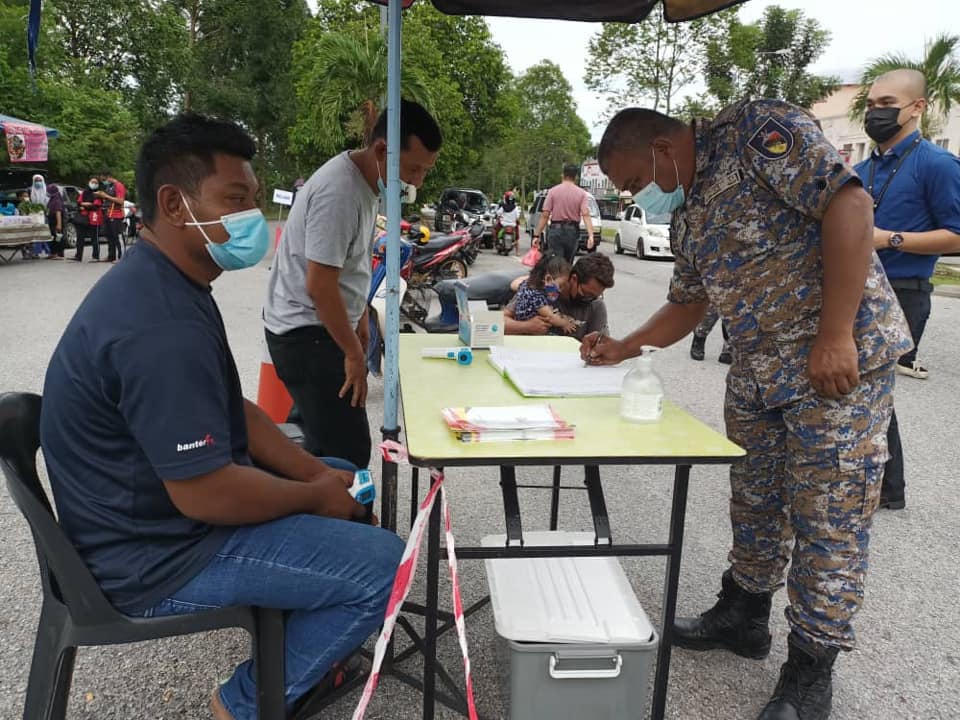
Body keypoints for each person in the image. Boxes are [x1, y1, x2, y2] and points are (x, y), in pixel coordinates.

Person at [40, 112, 404, 720]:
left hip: (154, 521)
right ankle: (241, 703)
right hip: (154, 558)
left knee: (337, 465)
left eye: (253, 201)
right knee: (385, 566)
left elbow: (234, 411)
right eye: (234, 200)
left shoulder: (170, 283)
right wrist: (316, 497)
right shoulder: (159, 325)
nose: (249, 218)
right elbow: (206, 494)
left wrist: (315, 473)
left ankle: (297, 631)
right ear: (174, 204)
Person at [586, 102, 911, 720]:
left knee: (828, 519)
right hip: (759, 372)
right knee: (754, 499)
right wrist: (623, 348)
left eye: (635, 180)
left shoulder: (757, 134)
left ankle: (811, 670)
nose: (641, 194)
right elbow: (687, 303)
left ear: (660, 146)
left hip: (834, 366)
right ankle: (744, 614)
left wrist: (836, 333)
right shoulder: (690, 208)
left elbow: (849, 204)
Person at [264, 99, 441, 468]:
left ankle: (303, 512)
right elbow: (320, 285)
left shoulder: (365, 185)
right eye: (413, 169)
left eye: (425, 171)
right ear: (382, 150)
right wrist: (353, 354)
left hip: (323, 327)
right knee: (346, 454)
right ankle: (338, 520)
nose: (417, 181)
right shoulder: (340, 192)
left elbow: (351, 264)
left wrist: (359, 315)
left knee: (314, 440)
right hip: (307, 334)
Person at [853, 69, 960, 511]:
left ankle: (885, 488)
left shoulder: (937, 165)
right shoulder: (859, 169)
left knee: (870, 387)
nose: (876, 112)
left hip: (904, 288)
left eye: (887, 103)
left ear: (917, 107)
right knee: (858, 389)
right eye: (872, 104)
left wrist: (889, 237)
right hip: (856, 288)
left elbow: (957, 235)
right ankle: (878, 483)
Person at [505, 252, 615, 341]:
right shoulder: (541, 290)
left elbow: (600, 346)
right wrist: (527, 327)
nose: (590, 299)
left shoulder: (596, 306)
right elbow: (494, 325)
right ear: (574, 279)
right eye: (587, 294)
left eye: (595, 296)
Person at [532, 164, 595, 262]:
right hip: (572, 232)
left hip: (555, 231)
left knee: (556, 263)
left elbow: (545, 215)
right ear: (576, 177)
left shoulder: (553, 191)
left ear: (563, 175)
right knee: (568, 264)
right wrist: (591, 235)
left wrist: (537, 235)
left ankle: (557, 275)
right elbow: (585, 214)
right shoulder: (582, 194)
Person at [510, 253, 580, 334]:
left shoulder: (527, 285)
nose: (560, 291)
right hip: (529, 333)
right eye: (560, 286)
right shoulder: (537, 297)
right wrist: (565, 323)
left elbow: (515, 285)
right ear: (548, 279)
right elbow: (551, 317)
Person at [97, 169, 128, 263]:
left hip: (116, 214)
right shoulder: (109, 186)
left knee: (116, 236)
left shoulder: (118, 185)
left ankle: (121, 256)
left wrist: (106, 196)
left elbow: (120, 201)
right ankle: (111, 255)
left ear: (109, 177)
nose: (103, 181)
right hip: (108, 213)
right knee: (109, 235)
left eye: (104, 179)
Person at [74, 176, 104, 262]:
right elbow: (78, 203)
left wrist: (85, 205)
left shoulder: (99, 194)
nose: (93, 184)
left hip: (94, 218)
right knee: (80, 237)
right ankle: (78, 256)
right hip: (83, 218)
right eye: (92, 182)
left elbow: (96, 206)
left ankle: (95, 256)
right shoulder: (84, 193)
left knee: (94, 237)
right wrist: (87, 204)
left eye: (96, 183)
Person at [28, 174, 51, 257]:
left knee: (45, 233)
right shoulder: (31, 191)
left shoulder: (47, 191)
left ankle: (48, 252)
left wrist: (46, 210)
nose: (38, 182)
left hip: (45, 214)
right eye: (36, 181)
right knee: (36, 233)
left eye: (40, 180)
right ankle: (36, 252)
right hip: (35, 215)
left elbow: (49, 203)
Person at [495, 190, 521, 254]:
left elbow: (498, 213)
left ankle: (496, 242)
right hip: (513, 225)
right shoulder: (516, 208)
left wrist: (499, 217)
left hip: (503, 224)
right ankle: (517, 252)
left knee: (496, 230)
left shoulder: (503, 207)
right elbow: (517, 217)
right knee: (517, 238)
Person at [45, 182, 65, 259]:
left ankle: (59, 254)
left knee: (58, 238)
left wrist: (59, 224)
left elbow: (58, 212)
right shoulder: (52, 199)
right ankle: (53, 253)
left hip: (56, 221)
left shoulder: (57, 200)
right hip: (52, 221)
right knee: (53, 238)